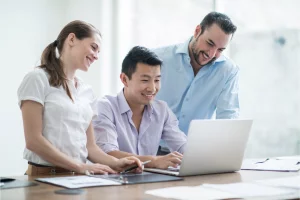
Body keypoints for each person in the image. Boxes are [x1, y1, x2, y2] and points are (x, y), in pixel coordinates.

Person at [17, 20, 142, 176]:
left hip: (77, 177)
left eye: (98, 52)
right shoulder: (37, 79)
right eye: (94, 47)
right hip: (43, 176)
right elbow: (33, 141)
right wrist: (80, 166)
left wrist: (117, 163)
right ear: (71, 39)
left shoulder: (86, 91)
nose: (96, 56)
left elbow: (90, 148)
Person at [153, 11, 239, 154]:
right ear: (197, 31)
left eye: (220, 50)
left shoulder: (228, 71)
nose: (211, 54)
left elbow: (228, 116)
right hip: (151, 150)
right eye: (210, 43)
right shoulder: (159, 58)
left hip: (194, 153)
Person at [93, 46, 187, 169]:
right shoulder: (105, 107)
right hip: (112, 180)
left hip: (146, 182)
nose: (152, 88)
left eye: (157, 80)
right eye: (145, 80)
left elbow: (182, 146)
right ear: (125, 79)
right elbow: (107, 154)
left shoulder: (162, 110)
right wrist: (153, 161)